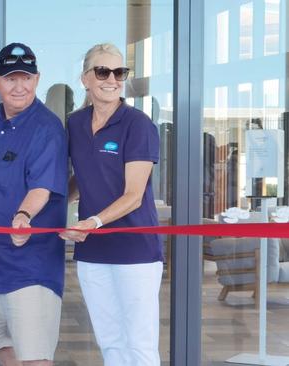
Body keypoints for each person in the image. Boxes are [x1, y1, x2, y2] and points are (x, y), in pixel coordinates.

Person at [0, 42, 68, 366]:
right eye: (11, 78)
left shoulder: (48, 128)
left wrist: (23, 215)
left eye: (26, 78)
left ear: (37, 80)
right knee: (2, 346)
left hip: (29, 265)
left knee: (34, 355)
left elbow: (42, 187)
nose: (19, 86)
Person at [60, 43, 163, 366]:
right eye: (103, 71)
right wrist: (54, 203)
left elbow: (134, 194)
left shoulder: (138, 124)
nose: (112, 79)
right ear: (85, 79)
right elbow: (81, 177)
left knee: (140, 344)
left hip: (136, 250)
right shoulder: (75, 124)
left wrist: (92, 222)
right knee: (110, 341)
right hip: (93, 252)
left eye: (120, 72)